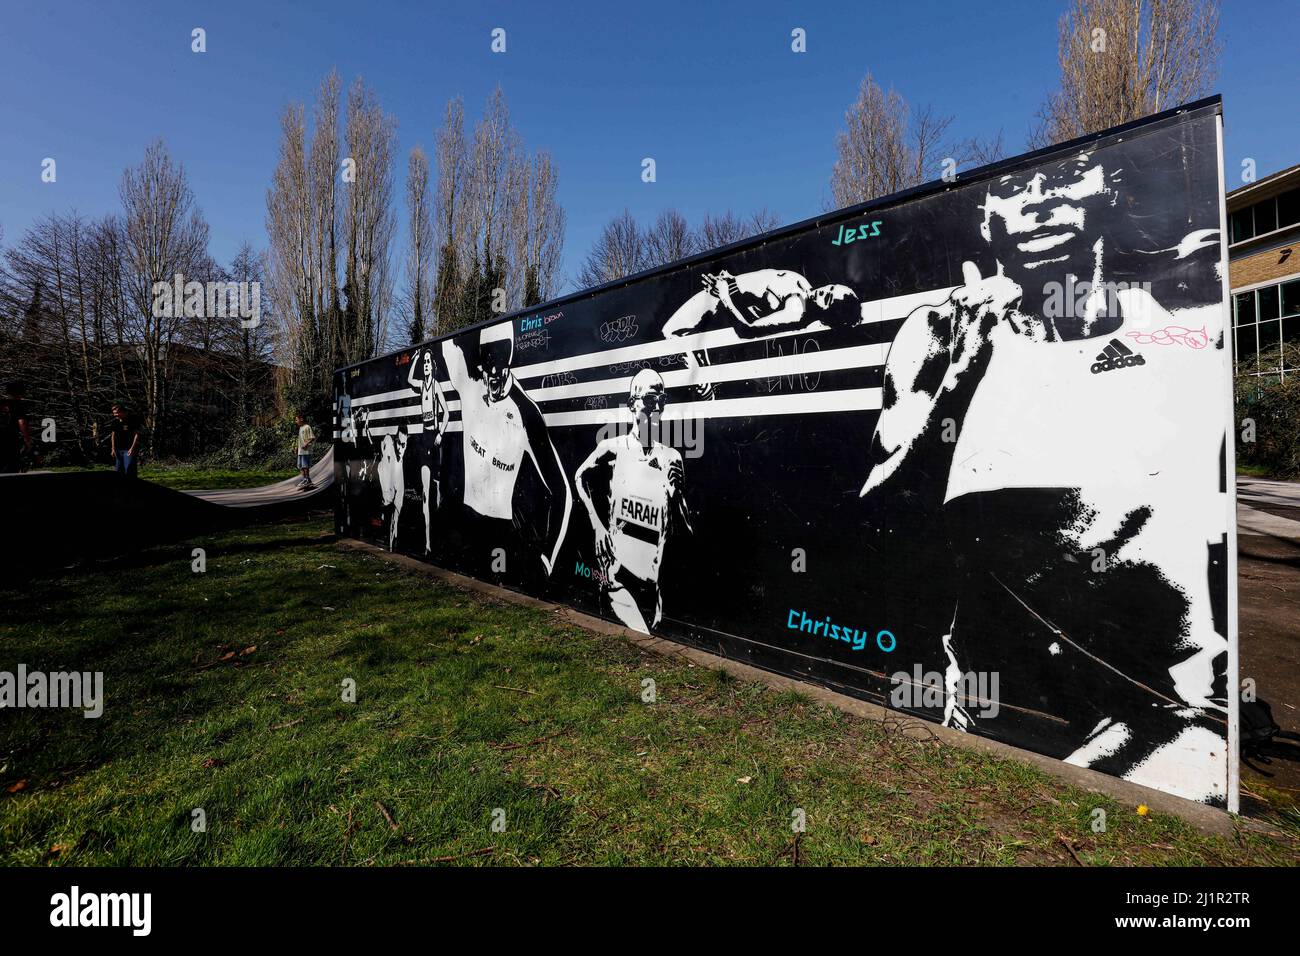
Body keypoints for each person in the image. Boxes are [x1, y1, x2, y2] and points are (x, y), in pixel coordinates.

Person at [859, 150, 1229, 803]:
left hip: (1163, 722)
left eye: (1062, 177)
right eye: (1015, 189)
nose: (1038, 199)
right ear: (986, 218)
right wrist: (954, 387)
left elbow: (1218, 538)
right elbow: (875, 520)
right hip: (986, 721)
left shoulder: (1185, 339)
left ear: (1108, 192)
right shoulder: (941, 337)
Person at [442, 322, 571, 579]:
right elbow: (445, 345)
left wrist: (548, 557)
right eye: (487, 367)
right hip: (466, 519)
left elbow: (562, 491)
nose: (493, 376)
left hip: (499, 525)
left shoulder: (526, 413)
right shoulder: (470, 387)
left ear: (509, 364)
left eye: (499, 368)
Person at [574, 369, 693, 634]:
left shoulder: (671, 458)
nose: (657, 407)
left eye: (662, 399)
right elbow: (579, 477)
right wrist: (598, 525)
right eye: (650, 399)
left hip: (655, 589)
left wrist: (678, 497)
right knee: (645, 642)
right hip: (619, 579)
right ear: (632, 404)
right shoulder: (612, 449)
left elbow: (686, 532)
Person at [661, 269, 860, 398]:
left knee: (671, 333)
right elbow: (758, 291)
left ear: (827, 315)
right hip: (722, 291)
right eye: (831, 287)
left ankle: (703, 383)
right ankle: (703, 375)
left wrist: (725, 294)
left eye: (828, 299)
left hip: (717, 300)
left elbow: (747, 330)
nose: (823, 292)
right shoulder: (805, 287)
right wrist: (731, 281)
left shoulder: (796, 310)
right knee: (675, 335)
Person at [406, 347, 450, 554]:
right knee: (425, 493)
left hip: (435, 438)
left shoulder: (436, 387)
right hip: (424, 439)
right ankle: (427, 542)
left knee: (438, 493)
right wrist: (414, 359)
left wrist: (441, 433)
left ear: (432, 366)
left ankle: (441, 535)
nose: (425, 366)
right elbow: (409, 380)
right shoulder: (422, 385)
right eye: (422, 363)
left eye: (426, 362)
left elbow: (447, 412)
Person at [0, 382, 33, 474]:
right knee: (11, 467)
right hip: (10, 439)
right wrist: (27, 440)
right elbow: (21, 422)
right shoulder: (17, 405)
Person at [109, 404, 140, 477]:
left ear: (122, 412)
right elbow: (113, 435)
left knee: (129, 470)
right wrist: (113, 448)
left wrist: (132, 448)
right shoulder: (115, 422)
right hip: (118, 450)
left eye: (116, 413)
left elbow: (137, 435)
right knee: (119, 470)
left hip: (128, 450)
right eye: (114, 413)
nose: (115, 415)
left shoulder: (131, 421)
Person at [295, 413, 315, 490]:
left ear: (301, 419)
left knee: (305, 465)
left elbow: (312, 437)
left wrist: (306, 444)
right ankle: (305, 479)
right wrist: (297, 448)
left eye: (296, 420)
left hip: (306, 451)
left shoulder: (307, 427)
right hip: (300, 451)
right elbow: (300, 440)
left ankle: (307, 479)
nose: (295, 421)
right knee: (300, 466)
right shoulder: (300, 428)